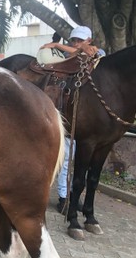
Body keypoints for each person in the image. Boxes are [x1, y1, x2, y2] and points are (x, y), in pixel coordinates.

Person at [42, 26, 106, 213]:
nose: (76, 43)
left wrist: (57, 44)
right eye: (74, 40)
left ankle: (70, 195)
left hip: (89, 117)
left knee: (77, 159)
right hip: (71, 114)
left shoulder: (98, 55)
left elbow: (88, 53)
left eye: (80, 40)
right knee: (68, 156)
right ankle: (64, 196)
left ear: (89, 41)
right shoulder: (70, 60)